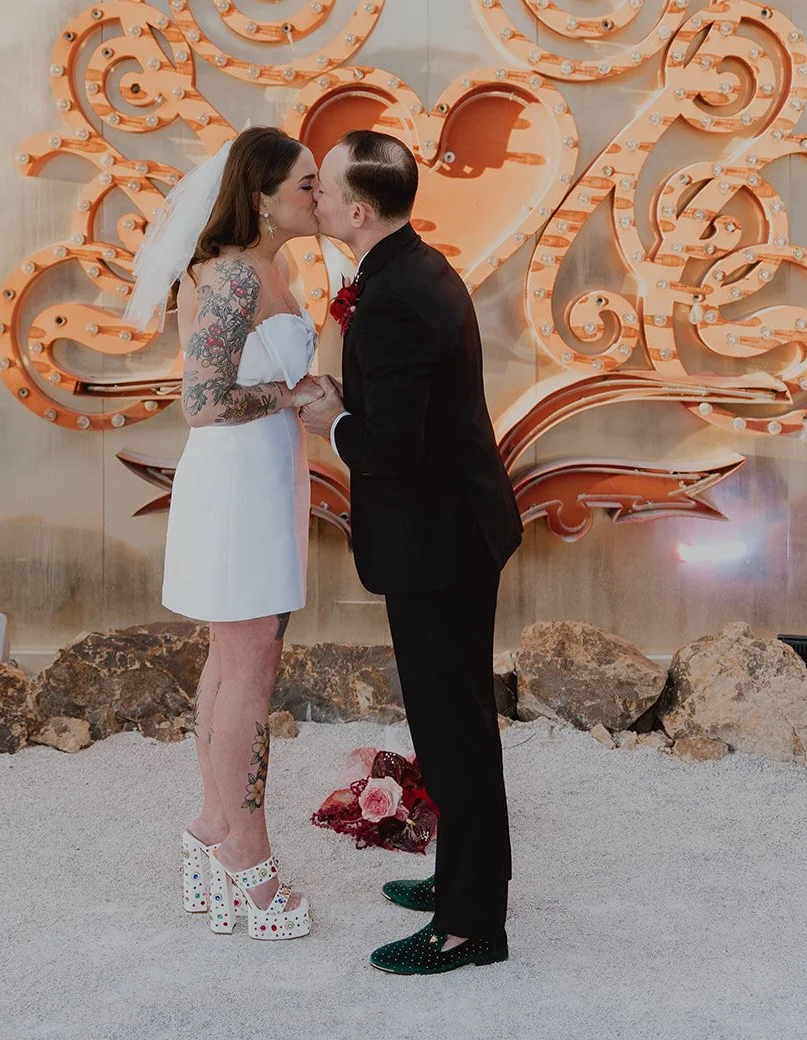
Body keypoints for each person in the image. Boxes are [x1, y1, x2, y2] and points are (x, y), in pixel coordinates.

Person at [302, 129, 523, 977]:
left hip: (438, 542)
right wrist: (352, 402)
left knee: (452, 728)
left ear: (359, 210)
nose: (315, 197)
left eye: (324, 188)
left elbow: (391, 447)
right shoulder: (413, 267)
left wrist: (333, 423)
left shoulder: (394, 295)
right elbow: (411, 407)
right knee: (455, 721)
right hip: (454, 527)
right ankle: (466, 880)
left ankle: (470, 926)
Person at [124, 127, 324, 942]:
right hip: (239, 485)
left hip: (263, 477)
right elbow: (202, 402)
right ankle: (248, 855)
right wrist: (290, 397)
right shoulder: (238, 274)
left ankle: (212, 824)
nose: (318, 195)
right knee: (249, 675)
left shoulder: (270, 269)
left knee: (231, 663)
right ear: (262, 197)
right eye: (306, 183)